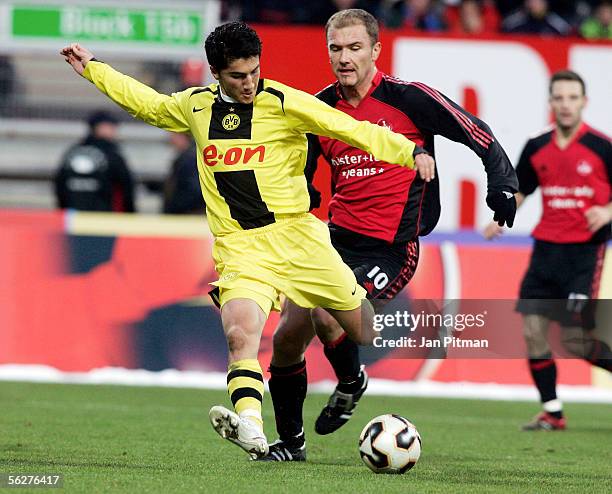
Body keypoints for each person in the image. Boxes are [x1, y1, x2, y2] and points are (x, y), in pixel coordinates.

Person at [60, 21, 436, 459]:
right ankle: (253, 428)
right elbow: (149, 105)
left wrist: (409, 151)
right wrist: (93, 69)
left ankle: (353, 378)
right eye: (238, 76)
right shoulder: (195, 107)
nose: (250, 83)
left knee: (363, 330)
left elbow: (348, 128)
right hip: (241, 247)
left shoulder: (282, 101)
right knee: (241, 333)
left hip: (299, 239)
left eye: (255, 71)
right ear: (216, 72)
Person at [261, 9, 519, 462]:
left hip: (392, 248)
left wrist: (502, 185)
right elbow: (301, 175)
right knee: (286, 337)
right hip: (334, 240)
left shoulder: (410, 99)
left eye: (355, 47)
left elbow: (478, 134)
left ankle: (351, 379)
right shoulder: (319, 110)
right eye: (336, 49)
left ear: (376, 50)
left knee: (326, 314)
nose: (345, 58)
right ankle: (290, 444)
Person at [484, 70, 612, 431]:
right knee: (533, 331)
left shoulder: (602, 148)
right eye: (559, 98)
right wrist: (502, 216)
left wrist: (607, 210)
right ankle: (552, 413)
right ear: (551, 103)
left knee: (576, 340)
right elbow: (523, 189)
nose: (566, 105)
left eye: (573, 98)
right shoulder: (537, 145)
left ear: (584, 103)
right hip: (545, 252)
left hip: (584, 253)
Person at [54, 110, 136, 212]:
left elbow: (59, 186)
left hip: (73, 218)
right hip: (102, 218)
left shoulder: (72, 152)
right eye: (111, 127)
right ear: (100, 127)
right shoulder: (111, 154)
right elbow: (126, 188)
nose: (114, 131)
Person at [162, 132, 205, 215]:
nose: (171, 140)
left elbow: (194, 190)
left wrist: (175, 206)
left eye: (173, 135)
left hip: (187, 214)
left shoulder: (190, 159)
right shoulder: (189, 156)